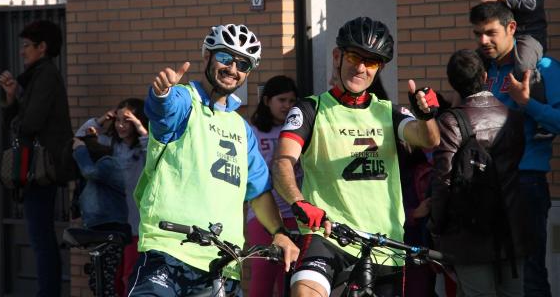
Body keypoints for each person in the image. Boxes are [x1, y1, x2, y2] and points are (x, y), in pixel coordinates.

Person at [272, 17, 441, 297]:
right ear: (337, 56)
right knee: (304, 291)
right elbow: (282, 162)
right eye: (353, 56)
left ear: (380, 68)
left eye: (371, 62)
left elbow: (428, 139)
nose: (360, 67)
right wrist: (298, 202)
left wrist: (426, 117)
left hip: (383, 243)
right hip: (328, 235)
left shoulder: (389, 111)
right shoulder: (309, 109)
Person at [128, 24, 299, 297]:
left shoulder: (241, 128)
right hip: (168, 252)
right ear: (206, 55)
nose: (233, 68)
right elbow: (163, 111)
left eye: (243, 63)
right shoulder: (185, 99)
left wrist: (279, 232)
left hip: (223, 263)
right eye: (225, 57)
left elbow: (258, 191)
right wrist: (161, 94)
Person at [470, 2, 560, 297]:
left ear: (511, 28)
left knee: (529, 274)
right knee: (493, 273)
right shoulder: (484, 72)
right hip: (486, 183)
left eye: (491, 33)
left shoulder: (543, 69)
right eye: (478, 34)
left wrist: (527, 103)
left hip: (524, 183)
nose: (483, 41)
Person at [429, 49, 529, 297]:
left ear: (452, 82)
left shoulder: (450, 121)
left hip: (468, 231)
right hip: (510, 225)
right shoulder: (513, 118)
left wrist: (436, 224)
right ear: (485, 76)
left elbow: (443, 180)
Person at [0, 20, 72, 297]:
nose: (22, 52)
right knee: (40, 237)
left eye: (27, 46)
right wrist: (12, 95)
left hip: (41, 169)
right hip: (38, 168)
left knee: (41, 238)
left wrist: (18, 108)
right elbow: (19, 119)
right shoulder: (36, 77)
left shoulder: (45, 76)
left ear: (43, 47)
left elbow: (30, 122)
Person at [471, 0, 550, 139]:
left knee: (524, 64)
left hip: (531, 36)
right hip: (511, 37)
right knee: (475, 60)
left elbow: (532, 3)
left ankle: (542, 121)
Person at [75, 98, 148, 296]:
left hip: (136, 225)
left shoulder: (143, 148)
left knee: (130, 276)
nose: (121, 125)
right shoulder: (110, 145)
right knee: (111, 279)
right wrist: (100, 120)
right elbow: (79, 137)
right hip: (112, 222)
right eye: (118, 121)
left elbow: (153, 151)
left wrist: (141, 127)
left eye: (127, 121)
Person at [246, 75, 300, 297]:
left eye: (291, 101)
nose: (287, 106)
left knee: (289, 276)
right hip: (262, 214)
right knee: (263, 273)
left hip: (295, 213)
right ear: (267, 101)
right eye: (282, 100)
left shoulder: (299, 130)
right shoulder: (253, 131)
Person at [69, 135, 132, 296]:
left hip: (113, 233)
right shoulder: (90, 174)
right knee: (97, 281)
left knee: (107, 282)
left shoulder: (108, 163)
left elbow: (89, 171)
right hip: (99, 234)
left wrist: (80, 150)